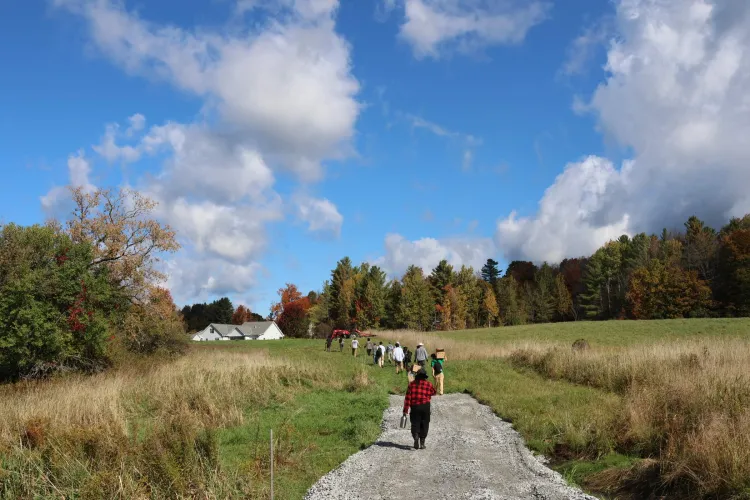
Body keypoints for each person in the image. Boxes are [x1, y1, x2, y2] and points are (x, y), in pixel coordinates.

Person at [403, 368, 436, 450]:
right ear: (425, 376)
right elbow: (434, 392)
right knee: (425, 423)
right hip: (425, 406)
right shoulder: (428, 384)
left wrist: (405, 411)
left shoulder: (411, 385)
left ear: (417, 376)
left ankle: (416, 437)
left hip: (415, 407)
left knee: (415, 423)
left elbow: (407, 398)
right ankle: (422, 443)